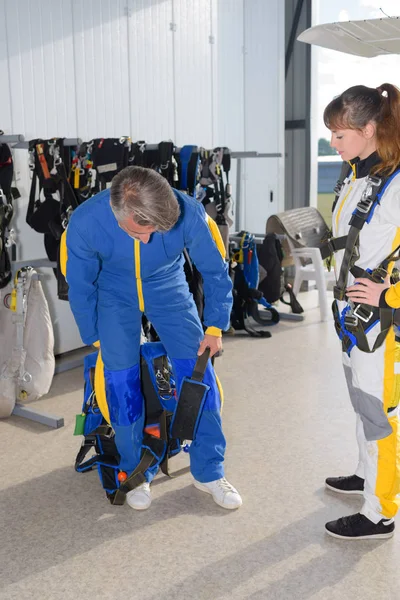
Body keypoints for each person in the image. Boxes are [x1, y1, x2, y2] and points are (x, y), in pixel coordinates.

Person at [65, 165, 242, 511]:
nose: (146, 239)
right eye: (137, 232)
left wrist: (215, 326)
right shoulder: (86, 222)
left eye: (155, 232)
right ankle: (134, 471)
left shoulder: (189, 211)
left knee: (198, 372)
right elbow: (81, 285)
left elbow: (215, 269)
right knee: (120, 381)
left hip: (168, 286)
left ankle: (208, 470)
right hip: (113, 292)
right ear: (119, 214)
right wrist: (94, 334)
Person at [322, 83, 400, 540]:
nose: (333, 144)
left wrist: (390, 297)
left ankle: (380, 511)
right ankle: (364, 475)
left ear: (369, 129)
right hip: (351, 316)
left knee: (379, 413)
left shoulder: (395, 182)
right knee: (361, 404)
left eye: (340, 134)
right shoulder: (357, 174)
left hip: (380, 322)